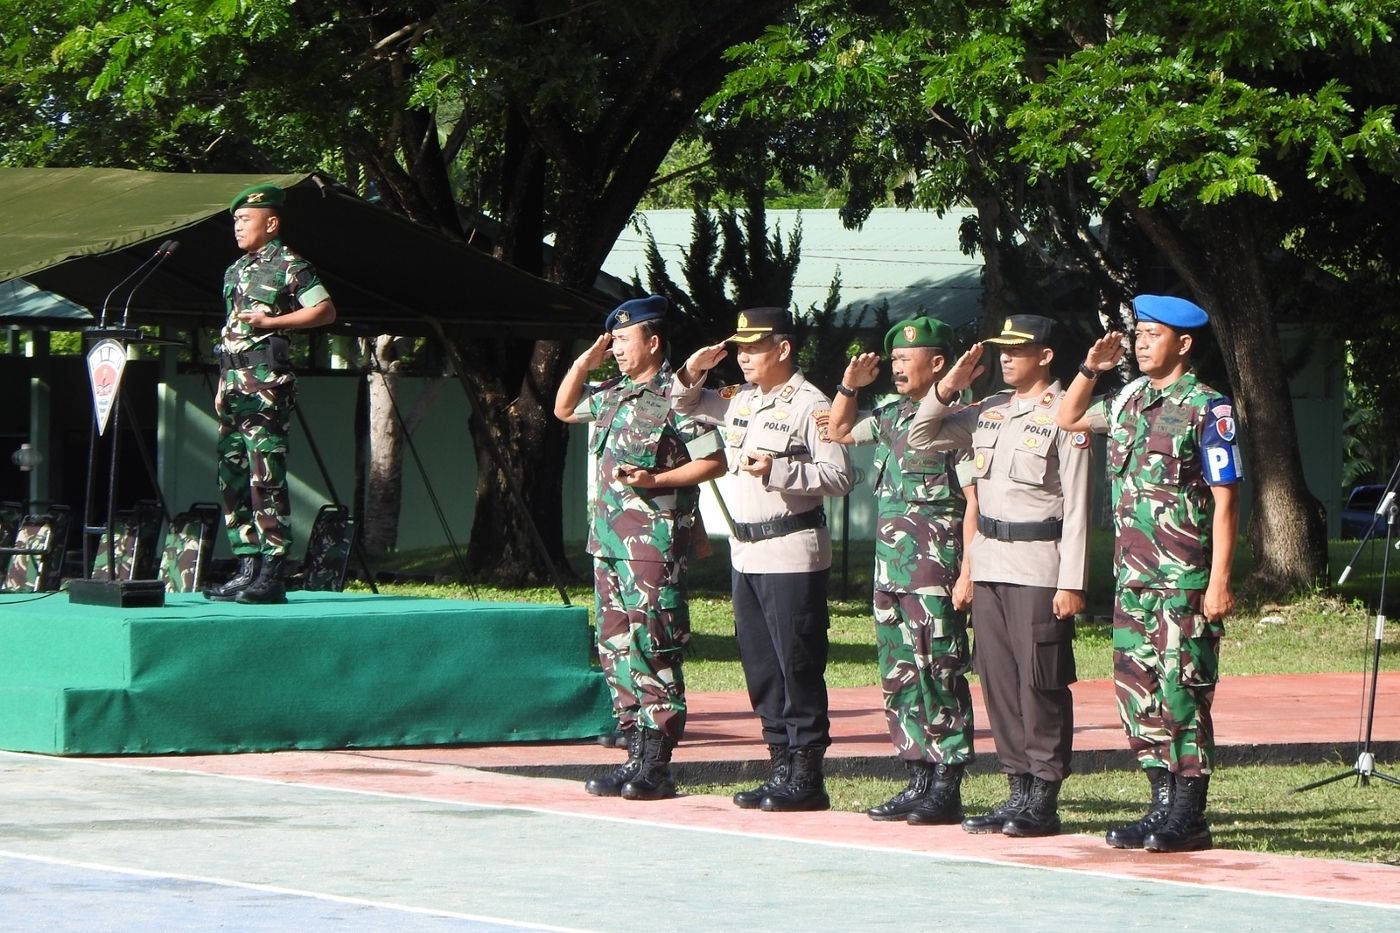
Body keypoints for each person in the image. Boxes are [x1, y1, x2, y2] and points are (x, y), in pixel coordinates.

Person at [1055, 294, 1241, 853]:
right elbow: (1066, 417)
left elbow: (1226, 500)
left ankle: (1190, 812)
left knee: (1182, 689)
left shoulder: (1208, 408)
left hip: (1182, 577)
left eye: (1151, 335)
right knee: (1138, 693)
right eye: (1138, 335)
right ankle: (1160, 802)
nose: (1139, 344)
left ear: (1182, 344)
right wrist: (1092, 368)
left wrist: (1219, 582)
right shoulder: (1128, 402)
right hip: (1133, 579)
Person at [908, 314, 1092, 837]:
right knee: (998, 680)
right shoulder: (988, 412)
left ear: (1046, 355)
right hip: (989, 560)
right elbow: (923, 435)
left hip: (1039, 564)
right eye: (1002, 350)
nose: (1006, 357)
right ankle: (1017, 788)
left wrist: (1072, 580)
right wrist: (949, 386)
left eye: (1018, 349)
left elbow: (1077, 505)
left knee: (1041, 682)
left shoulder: (1065, 414)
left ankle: (1044, 794)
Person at [673, 307, 854, 812]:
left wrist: (779, 471)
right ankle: (780, 763)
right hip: (747, 552)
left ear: (783, 349)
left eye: (754, 348)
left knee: (796, 664)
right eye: (740, 348)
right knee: (761, 666)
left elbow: (839, 477)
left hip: (791, 549)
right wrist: (694, 369)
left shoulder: (811, 404)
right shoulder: (743, 400)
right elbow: (683, 404)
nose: (744, 357)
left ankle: (807, 774)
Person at [553, 295, 726, 801]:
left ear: (653, 341)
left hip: (651, 543)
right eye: (613, 342)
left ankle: (657, 762)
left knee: (654, 645)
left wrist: (658, 477)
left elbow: (713, 461)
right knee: (615, 648)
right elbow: (564, 408)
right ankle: (632, 750)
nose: (618, 350)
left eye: (624, 341)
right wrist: (587, 360)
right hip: (607, 544)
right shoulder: (610, 393)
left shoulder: (677, 395)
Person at [825, 316, 975, 824]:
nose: (895, 368)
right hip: (890, 571)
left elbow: (973, 499)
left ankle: (946, 782)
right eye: (892, 360)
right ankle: (916, 775)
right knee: (900, 673)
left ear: (938, 364)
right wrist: (850, 384)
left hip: (935, 567)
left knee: (940, 670)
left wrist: (969, 569)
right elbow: (838, 429)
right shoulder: (891, 415)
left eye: (905, 360)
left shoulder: (961, 419)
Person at [205, 184, 335, 605]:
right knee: (232, 473)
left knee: (267, 475)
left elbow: (324, 310)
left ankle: (273, 570)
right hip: (234, 384)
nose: (237, 227)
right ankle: (246, 565)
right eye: (235, 221)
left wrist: (272, 320)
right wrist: (224, 382)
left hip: (265, 385)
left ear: (271, 222)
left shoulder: (290, 265)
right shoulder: (233, 270)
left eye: (245, 220)